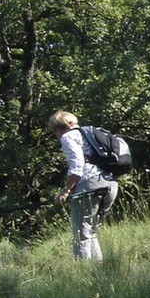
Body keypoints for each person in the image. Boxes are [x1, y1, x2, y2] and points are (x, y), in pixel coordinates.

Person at [47, 110, 120, 261]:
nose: (56, 136)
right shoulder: (89, 134)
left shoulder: (68, 136)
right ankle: (98, 273)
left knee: (81, 234)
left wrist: (66, 190)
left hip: (90, 184)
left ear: (58, 128)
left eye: (54, 132)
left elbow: (77, 165)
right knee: (91, 233)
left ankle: (83, 275)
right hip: (110, 184)